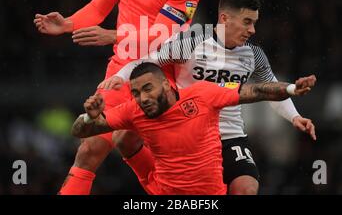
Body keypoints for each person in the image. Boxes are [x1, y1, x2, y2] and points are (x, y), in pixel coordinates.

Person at [33, 0, 201, 195]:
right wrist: (68, 23)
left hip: (164, 76)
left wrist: (113, 36)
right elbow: (99, 6)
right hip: (120, 71)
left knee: (151, 154)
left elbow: (164, 33)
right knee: (89, 150)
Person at [100, 0, 317, 195]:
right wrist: (119, 77)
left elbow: (270, 87)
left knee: (247, 188)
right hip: (192, 131)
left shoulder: (254, 55)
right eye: (247, 22)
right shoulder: (191, 42)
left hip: (230, 134)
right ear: (225, 19)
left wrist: (295, 116)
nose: (252, 30)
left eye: (254, 23)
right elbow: (146, 62)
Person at [73, 62, 316, 194]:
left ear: (167, 86)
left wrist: (292, 89)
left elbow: (256, 90)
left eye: (148, 89)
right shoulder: (134, 110)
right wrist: (88, 117)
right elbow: (79, 131)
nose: (142, 98)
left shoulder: (202, 95)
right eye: (136, 92)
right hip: (163, 192)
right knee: (122, 135)